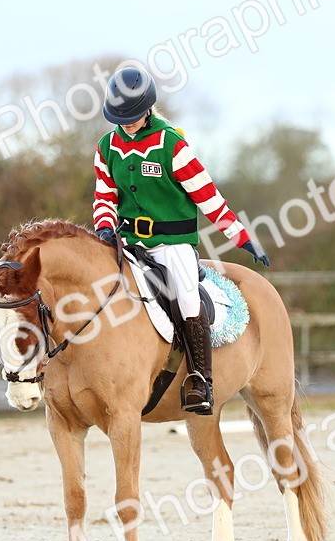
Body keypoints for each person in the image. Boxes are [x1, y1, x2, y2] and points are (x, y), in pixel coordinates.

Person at [92, 66, 269, 414]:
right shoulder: (107, 146)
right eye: (120, 117)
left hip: (173, 244)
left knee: (187, 299)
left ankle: (201, 381)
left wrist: (243, 237)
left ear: (147, 109)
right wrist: (104, 225)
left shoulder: (171, 143)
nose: (126, 123)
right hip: (128, 243)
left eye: (131, 117)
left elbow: (208, 196)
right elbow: (104, 196)